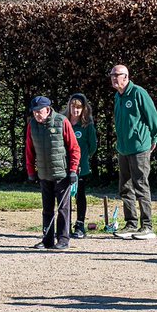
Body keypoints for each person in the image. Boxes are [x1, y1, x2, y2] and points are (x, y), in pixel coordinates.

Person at [109, 64, 157, 239]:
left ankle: (147, 225)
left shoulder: (138, 93)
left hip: (140, 147)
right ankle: (131, 223)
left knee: (141, 185)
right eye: (112, 75)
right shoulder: (118, 96)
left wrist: (154, 138)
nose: (114, 78)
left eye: (118, 75)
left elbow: (153, 117)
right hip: (123, 148)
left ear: (126, 76)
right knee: (124, 186)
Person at [25, 97, 81, 250]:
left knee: (63, 208)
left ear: (48, 109)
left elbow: (74, 148)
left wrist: (73, 170)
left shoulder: (62, 122)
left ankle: (63, 239)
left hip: (62, 174)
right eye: (34, 112)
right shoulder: (32, 126)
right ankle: (47, 240)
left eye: (39, 112)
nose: (37, 115)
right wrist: (31, 171)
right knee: (47, 209)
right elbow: (29, 150)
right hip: (44, 174)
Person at [64, 93, 96, 239]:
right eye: (73, 106)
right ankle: (65, 224)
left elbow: (92, 146)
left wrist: (82, 158)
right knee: (65, 197)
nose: (75, 110)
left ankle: (80, 224)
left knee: (80, 196)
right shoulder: (64, 122)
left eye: (78, 107)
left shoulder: (87, 125)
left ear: (83, 109)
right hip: (65, 165)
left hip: (81, 167)